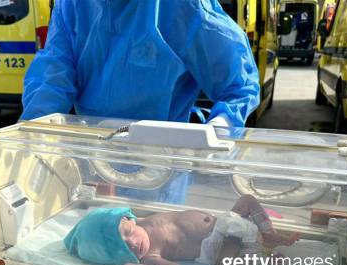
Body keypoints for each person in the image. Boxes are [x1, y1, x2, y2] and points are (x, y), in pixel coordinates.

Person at [21, 0, 259, 203]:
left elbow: (238, 86)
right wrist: (30, 136)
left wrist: (217, 130)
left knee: (152, 242)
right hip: (90, 162)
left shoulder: (180, 6)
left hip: (159, 170)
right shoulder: (73, 4)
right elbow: (53, 75)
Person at [64, 195, 298, 265]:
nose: (134, 243)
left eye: (127, 233)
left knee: (247, 199)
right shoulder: (148, 256)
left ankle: (269, 234)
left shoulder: (143, 218)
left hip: (225, 221)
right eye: (126, 249)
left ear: (128, 218)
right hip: (218, 246)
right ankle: (265, 259)